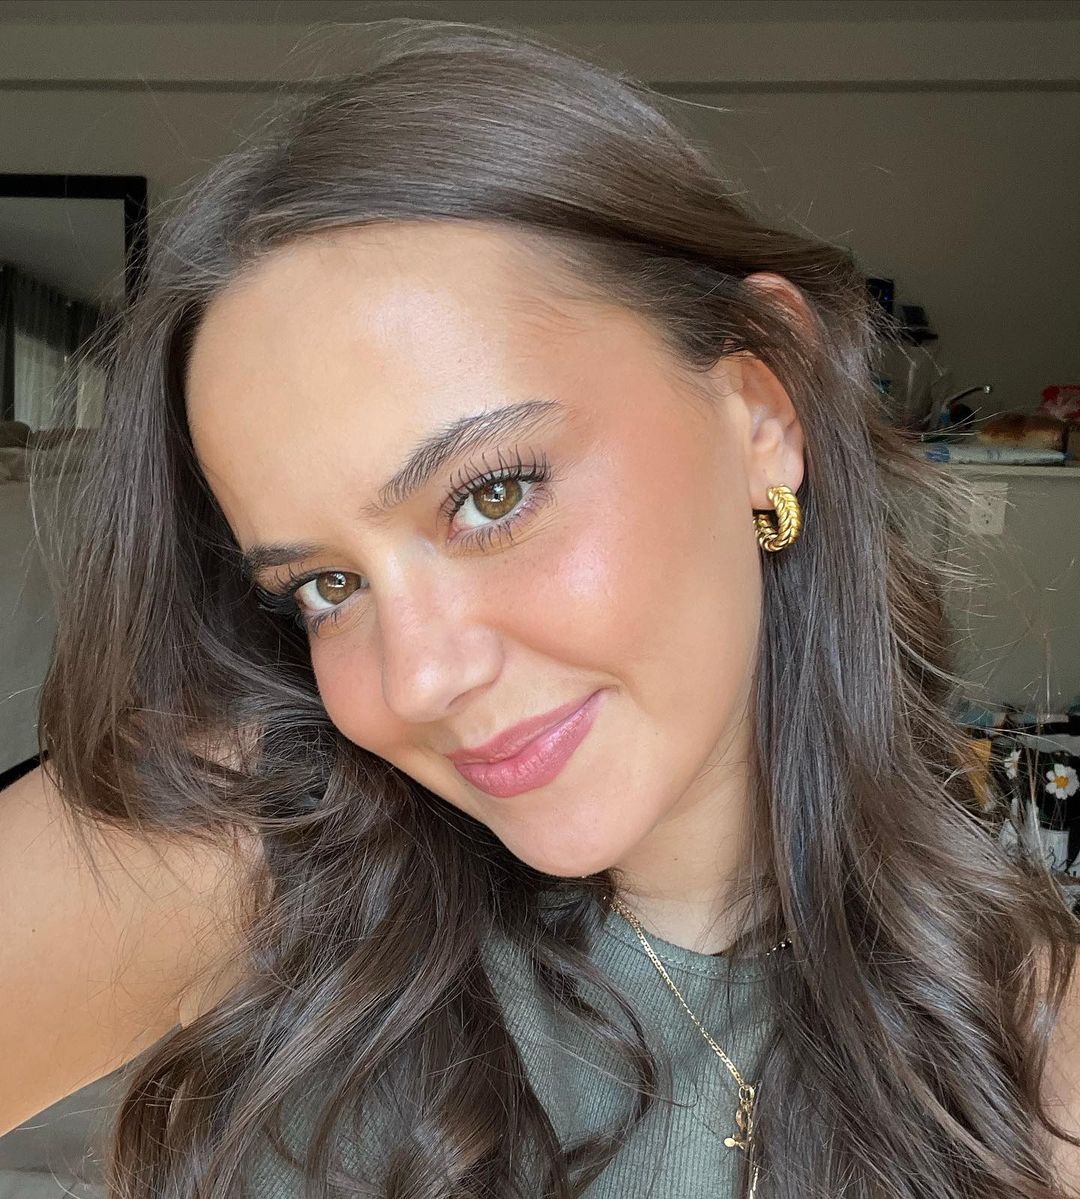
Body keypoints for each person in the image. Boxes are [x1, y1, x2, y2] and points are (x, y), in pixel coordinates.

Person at [2, 17, 1079, 1199]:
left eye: (492, 495)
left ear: (761, 411)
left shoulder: (1028, 1043)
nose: (418, 678)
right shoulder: (245, 838)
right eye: (327, 585)